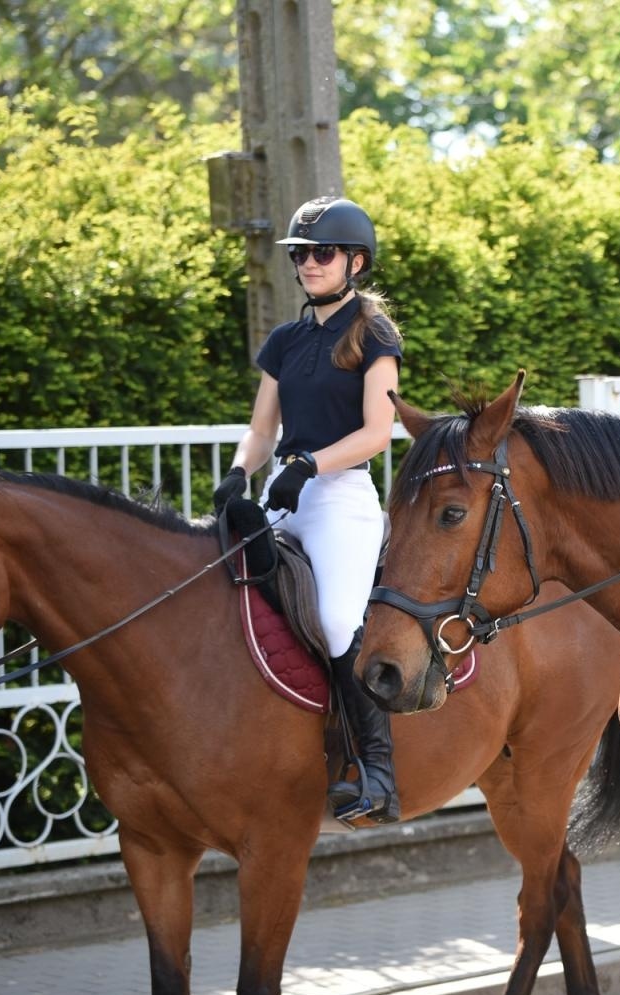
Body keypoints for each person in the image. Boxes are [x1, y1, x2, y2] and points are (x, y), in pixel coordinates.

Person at [213, 195, 405, 820]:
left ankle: (377, 771)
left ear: (355, 262)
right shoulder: (285, 340)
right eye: (300, 255)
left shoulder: (373, 334)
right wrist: (240, 472)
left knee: (336, 618)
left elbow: (379, 431)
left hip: (339, 495)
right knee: (222, 589)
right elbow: (262, 429)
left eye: (322, 253)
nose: (308, 264)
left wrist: (309, 465)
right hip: (282, 490)